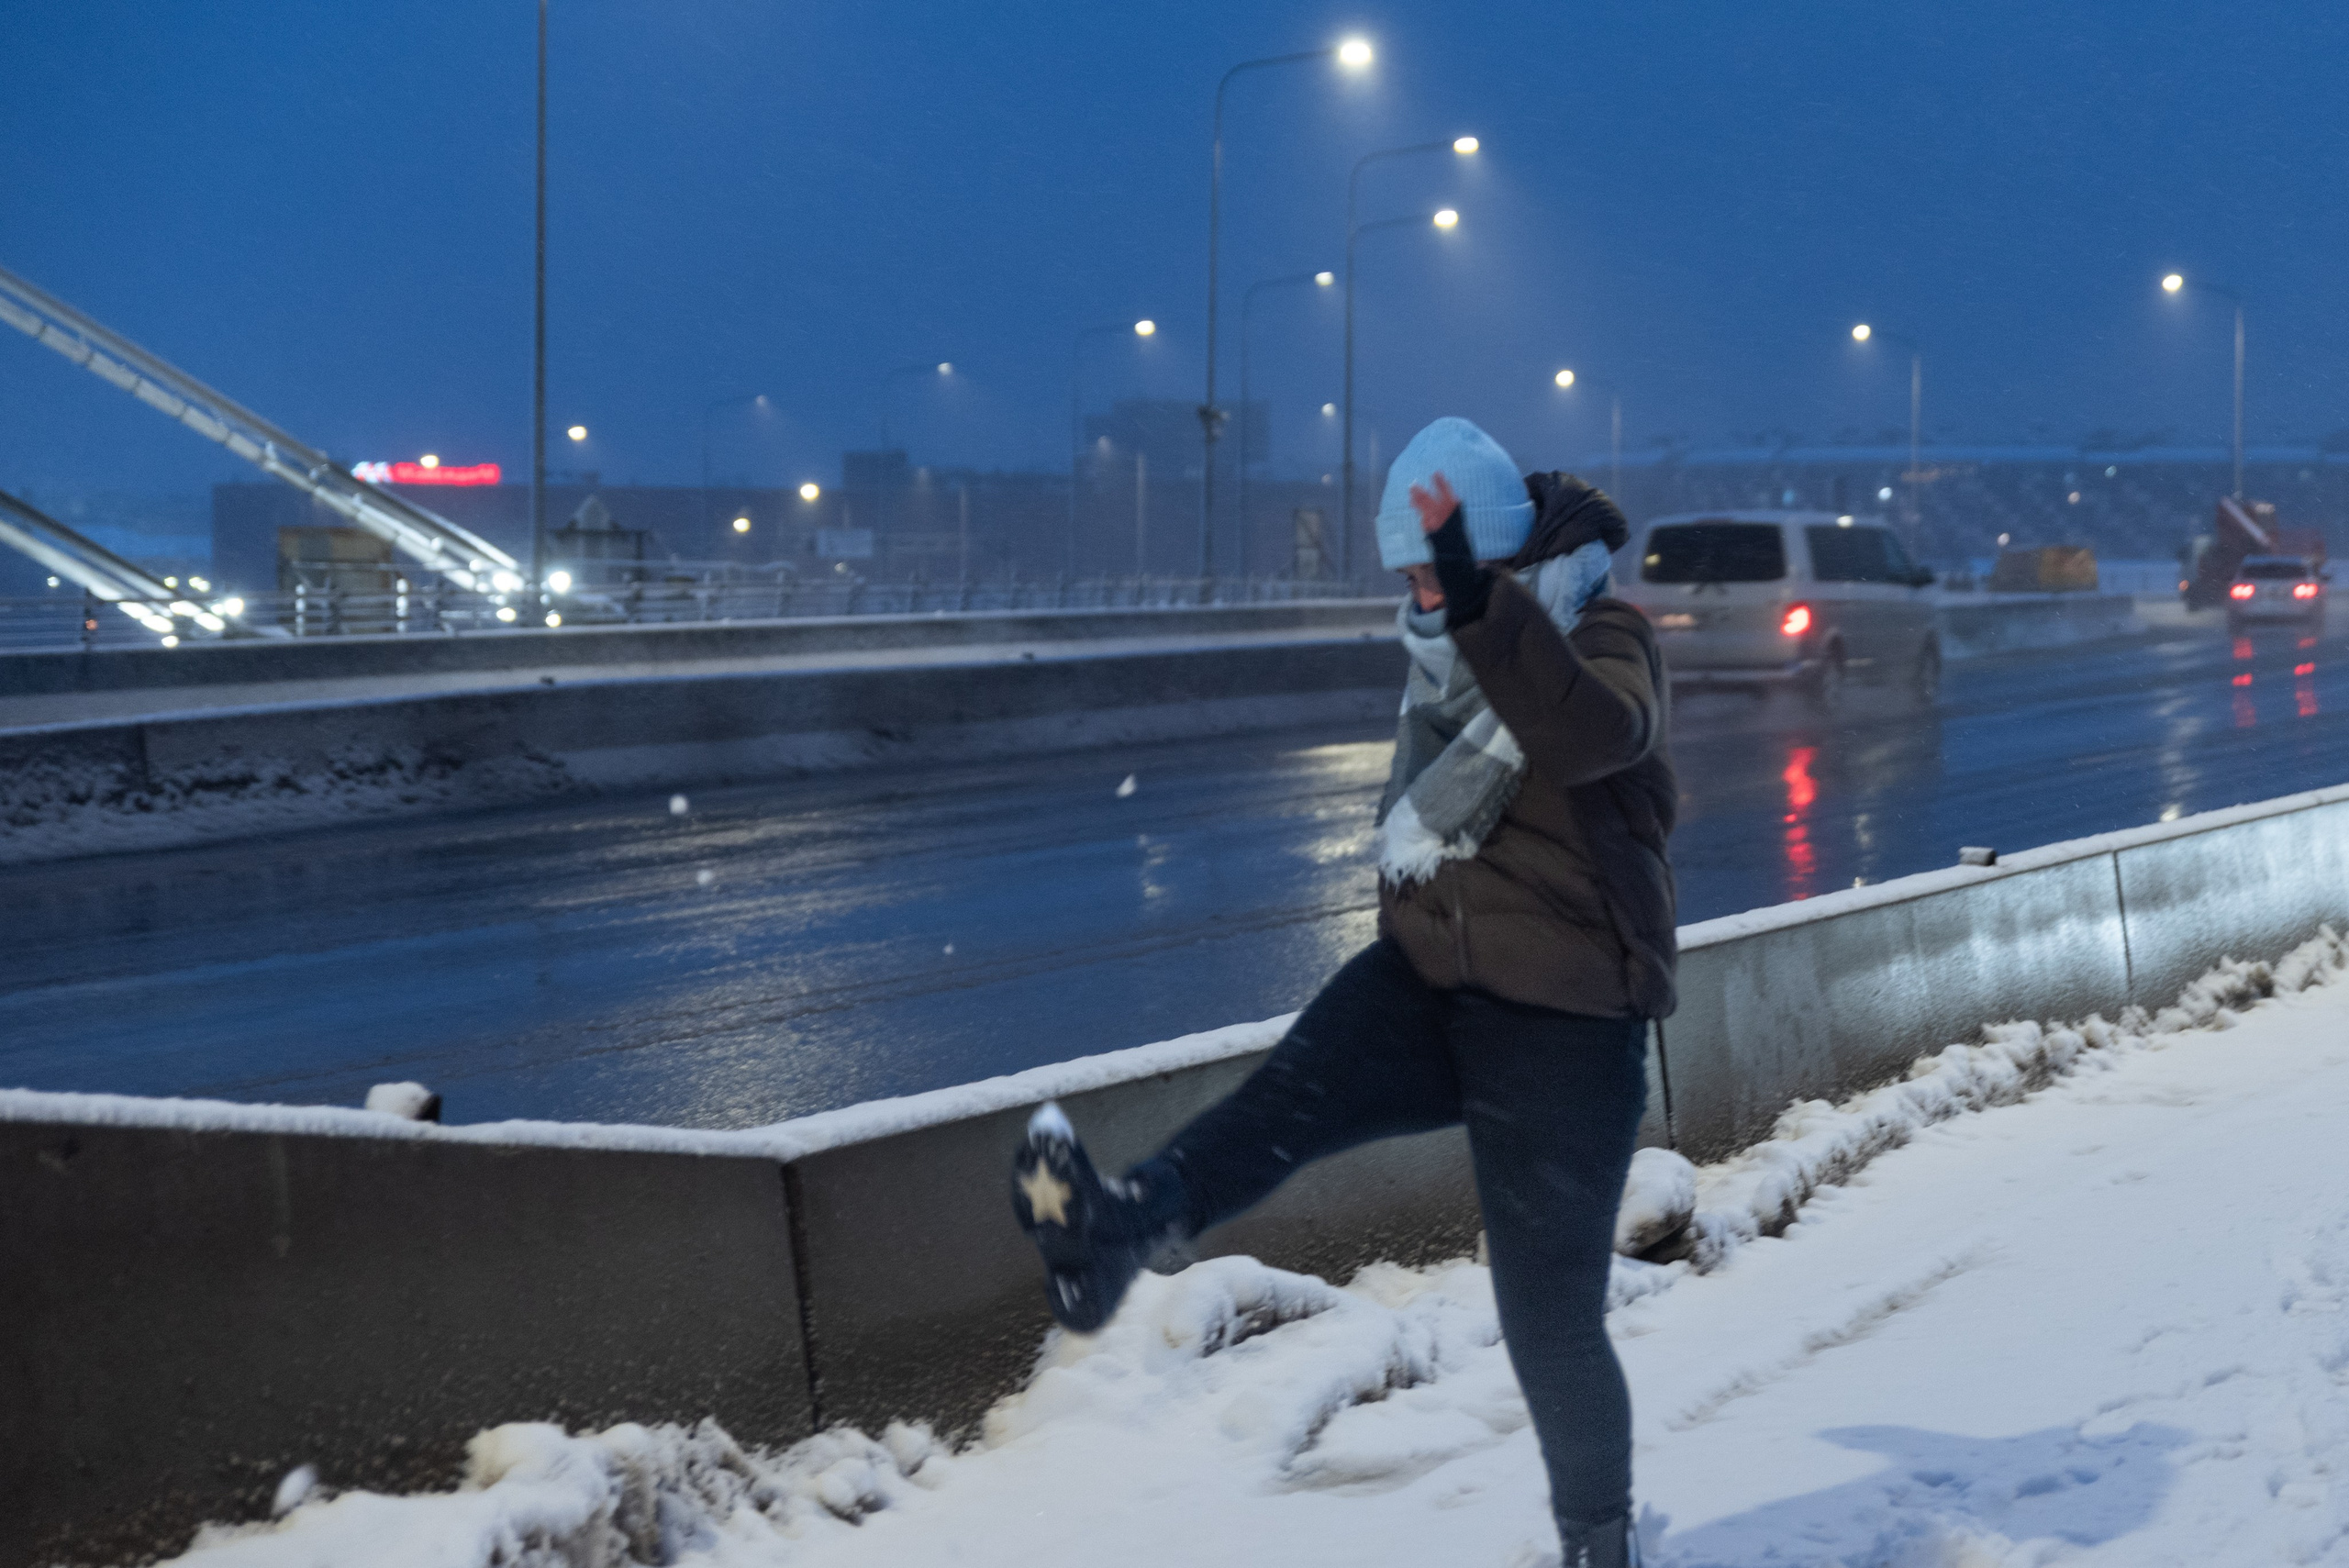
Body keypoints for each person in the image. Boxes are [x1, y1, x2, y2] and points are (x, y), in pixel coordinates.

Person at [1009, 417, 1676, 1568]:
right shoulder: (1444, 654)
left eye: (1438, 570)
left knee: (1547, 1319)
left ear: (1504, 555)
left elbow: (1583, 734)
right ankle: (1117, 1232)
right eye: (1411, 574)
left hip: (1566, 1020)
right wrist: (1461, 602)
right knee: (1286, 1096)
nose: (1421, 594)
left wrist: (1477, 594)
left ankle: (1599, 1546)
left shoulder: (1606, 632)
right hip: (1430, 980)